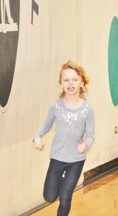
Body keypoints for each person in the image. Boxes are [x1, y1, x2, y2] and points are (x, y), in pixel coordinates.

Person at [33, 60, 95, 216]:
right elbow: (46, 124)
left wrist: (85, 146)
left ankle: (66, 185)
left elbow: (91, 135)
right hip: (58, 157)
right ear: (61, 84)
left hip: (76, 159)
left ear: (82, 83)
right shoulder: (56, 106)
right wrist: (38, 136)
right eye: (66, 80)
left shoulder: (87, 109)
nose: (70, 83)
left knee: (65, 198)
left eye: (74, 79)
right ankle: (61, 181)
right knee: (49, 196)